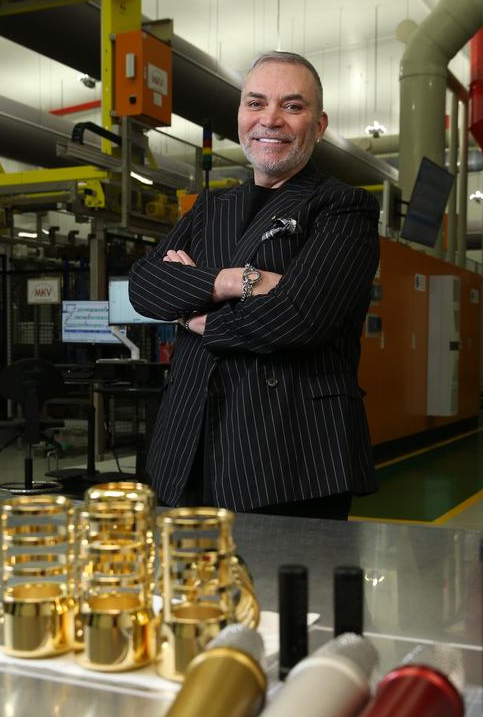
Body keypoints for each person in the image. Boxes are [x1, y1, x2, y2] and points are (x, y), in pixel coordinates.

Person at [129, 50, 379, 518]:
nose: (271, 120)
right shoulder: (210, 208)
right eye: (256, 103)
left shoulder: (344, 208)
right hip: (186, 449)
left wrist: (194, 315)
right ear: (241, 115)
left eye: (292, 106)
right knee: (189, 588)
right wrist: (235, 281)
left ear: (319, 124)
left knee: (289, 592)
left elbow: (299, 316)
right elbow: (144, 286)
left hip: (290, 457)